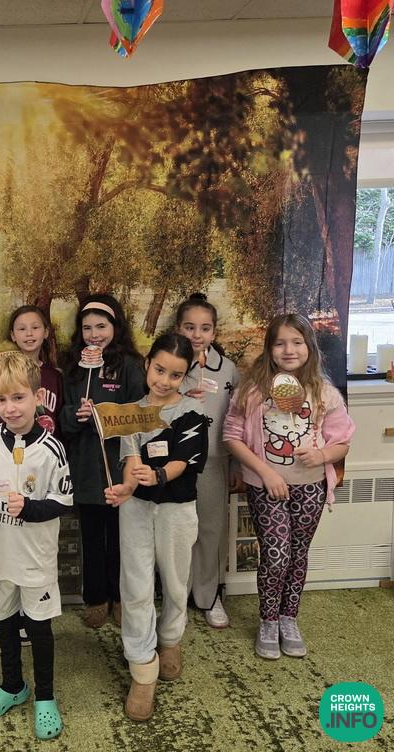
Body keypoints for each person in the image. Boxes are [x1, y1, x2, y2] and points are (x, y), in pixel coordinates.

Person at [223, 313, 354, 660]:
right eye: (280, 343)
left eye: (297, 342)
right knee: (276, 553)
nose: (289, 349)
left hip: (310, 487)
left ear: (309, 347)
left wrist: (322, 454)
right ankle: (268, 620)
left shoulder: (325, 393)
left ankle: (288, 618)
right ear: (269, 348)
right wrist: (265, 473)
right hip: (266, 486)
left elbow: (342, 443)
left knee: (297, 554)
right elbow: (231, 437)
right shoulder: (252, 391)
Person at [105, 333, 208, 722]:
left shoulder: (193, 412)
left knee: (176, 581)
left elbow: (185, 460)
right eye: (159, 370)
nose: (164, 381)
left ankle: (170, 640)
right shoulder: (130, 412)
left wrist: (160, 475)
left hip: (177, 511)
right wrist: (127, 487)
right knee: (135, 586)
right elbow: (130, 459)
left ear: (186, 375)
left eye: (175, 375)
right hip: (135, 509)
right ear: (147, 364)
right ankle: (142, 666)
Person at [0, 352, 72, 741]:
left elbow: (63, 502)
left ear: (37, 396)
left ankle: (45, 696)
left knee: (39, 628)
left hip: (35, 558)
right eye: (1, 399)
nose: (10, 408)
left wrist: (29, 508)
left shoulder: (51, 449)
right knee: (4, 624)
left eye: (18, 397)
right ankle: (13, 685)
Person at [59, 294, 144, 628]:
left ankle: (122, 598)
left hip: (119, 465)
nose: (94, 334)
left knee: (122, 539)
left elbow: (139, 415)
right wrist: (76, 415)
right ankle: (96, 598)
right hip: (85, 465)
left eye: (101, 326)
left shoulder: (130, 365)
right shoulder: (73, 366)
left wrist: (107, 418)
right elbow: (62, 416)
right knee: (91, 537)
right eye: (87, 328)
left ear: (115, 327)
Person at [176, 293, 239, 628]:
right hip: (174, 465)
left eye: (204, 328)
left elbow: (240, 421)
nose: (196, 335)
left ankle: (209, 595)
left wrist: (237, 464)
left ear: (214, 331)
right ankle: (178, 597)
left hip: (214, 464)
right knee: (177, 532)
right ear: (178, 329)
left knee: (211, 530)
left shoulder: (228, 369)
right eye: (189, 327)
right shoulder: (169, 364)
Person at [0, 305, 63, 435]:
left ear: (46, 332)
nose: (29, 333)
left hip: (44, 443)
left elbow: (60, 417)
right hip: (7, 442)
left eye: (35, 327)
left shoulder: (54, 376)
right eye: (22, 329)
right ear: (13, 335)